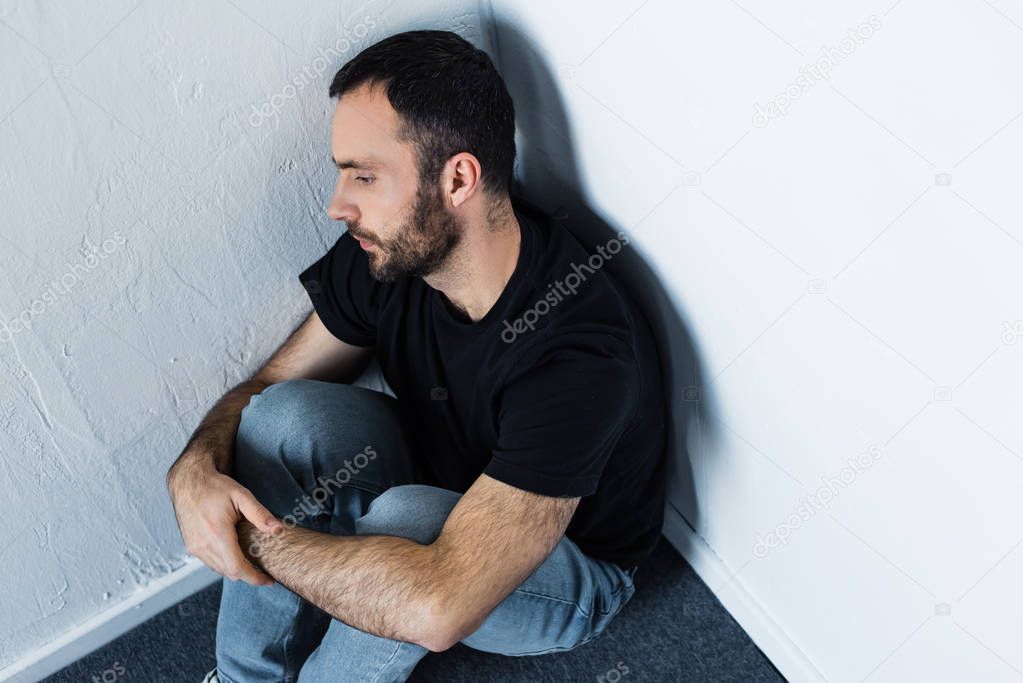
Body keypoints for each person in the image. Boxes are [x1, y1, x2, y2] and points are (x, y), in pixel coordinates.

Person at [166, 29, 666, 683]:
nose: (336, 205)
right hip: (440, 473)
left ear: (456, 178)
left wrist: (252, 537)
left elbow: (439, 606)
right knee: (281, 417)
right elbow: (273, 380)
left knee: (410, 525)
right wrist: (195, 467)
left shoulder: (579, 353)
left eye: (365, 177)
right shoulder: (391, 252)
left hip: (566, 567)